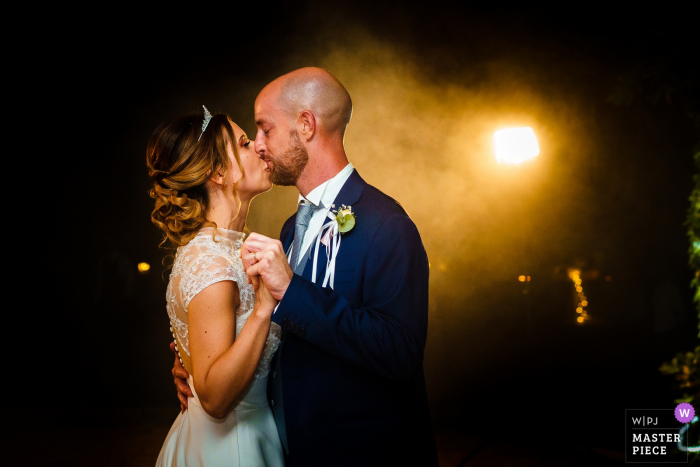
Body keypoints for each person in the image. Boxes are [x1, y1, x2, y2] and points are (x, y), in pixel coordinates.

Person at [173, 68, 438, 466]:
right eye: (251, 138)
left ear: (306, 125)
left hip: (361, 455)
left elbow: (399, 351)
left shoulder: (386, 224)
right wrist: (194, 358)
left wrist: (291, 290)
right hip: (287, 447)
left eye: (264, 130)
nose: (259, 146)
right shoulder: (288, 229)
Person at [148, 108, 284, 466]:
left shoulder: (226, 250)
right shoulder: (212, 262)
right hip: (232, 446)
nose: (257, 146)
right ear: (218, 173)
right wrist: (263, 309)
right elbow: (215, 399)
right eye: (243, 143)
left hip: (249, 433)